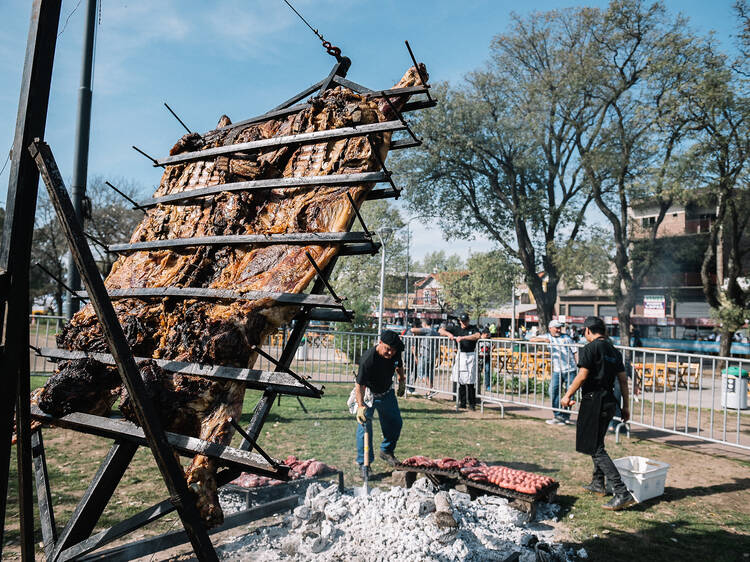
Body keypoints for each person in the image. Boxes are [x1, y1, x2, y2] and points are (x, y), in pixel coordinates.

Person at [561, 316, 636, 511]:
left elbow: (583, 375)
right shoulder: (614, 350)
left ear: (587, 330)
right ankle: (597, 483)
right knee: (597, 442)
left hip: (594, 401)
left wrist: (567, 395)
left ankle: (621, 492)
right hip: (610, 401)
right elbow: (623, 381)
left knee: (595, 448)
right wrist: (625, 406)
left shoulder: (590, 348)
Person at [353, 330, 406, 479]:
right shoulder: (368, 359)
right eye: (388, 349)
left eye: (393, 350)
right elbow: (359, 386)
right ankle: (364, 464)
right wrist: (361, 406)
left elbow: (399, 365)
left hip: (386, 393)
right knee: (365, 428)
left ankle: (387, 451)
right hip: (368, 394)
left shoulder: (395, 353)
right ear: (380, 343)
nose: (390, 352)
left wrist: (402, 380)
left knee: (395, 422)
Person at [531, 319, 578, 425]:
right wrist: (544, 341)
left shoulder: (567, 338)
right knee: (553, 391)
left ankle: (566, 416)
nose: (558, 329)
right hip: (557, 370)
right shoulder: (547, 336)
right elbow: (531, 339)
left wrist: (578, 365)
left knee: (569, 394)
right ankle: (558, 416)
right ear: (550, 328)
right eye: (556, 327)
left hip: (570, 370)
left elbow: (575, 351)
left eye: (559, 327)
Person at [439, 313, 482, 410]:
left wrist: (463, 338)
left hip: (471, 355)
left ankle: (472, 404)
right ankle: (462, 402)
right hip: (461, 355)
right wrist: (449, 334)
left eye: (466, 321)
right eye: (463, 321)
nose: (464, 323)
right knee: (461, 380)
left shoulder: (473, 328)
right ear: (460, 321)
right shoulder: (456, 328)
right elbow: (441, 330)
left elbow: (477, 335)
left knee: (470, 381)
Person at [411, 318, 439, 398]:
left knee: (421, 373)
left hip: (424, 355)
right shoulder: (435, 332)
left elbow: (413, 330)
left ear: (424, 324)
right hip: (432, 355)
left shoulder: (427, 330)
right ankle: (429, 392)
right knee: (429, 374)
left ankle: (431, 388)